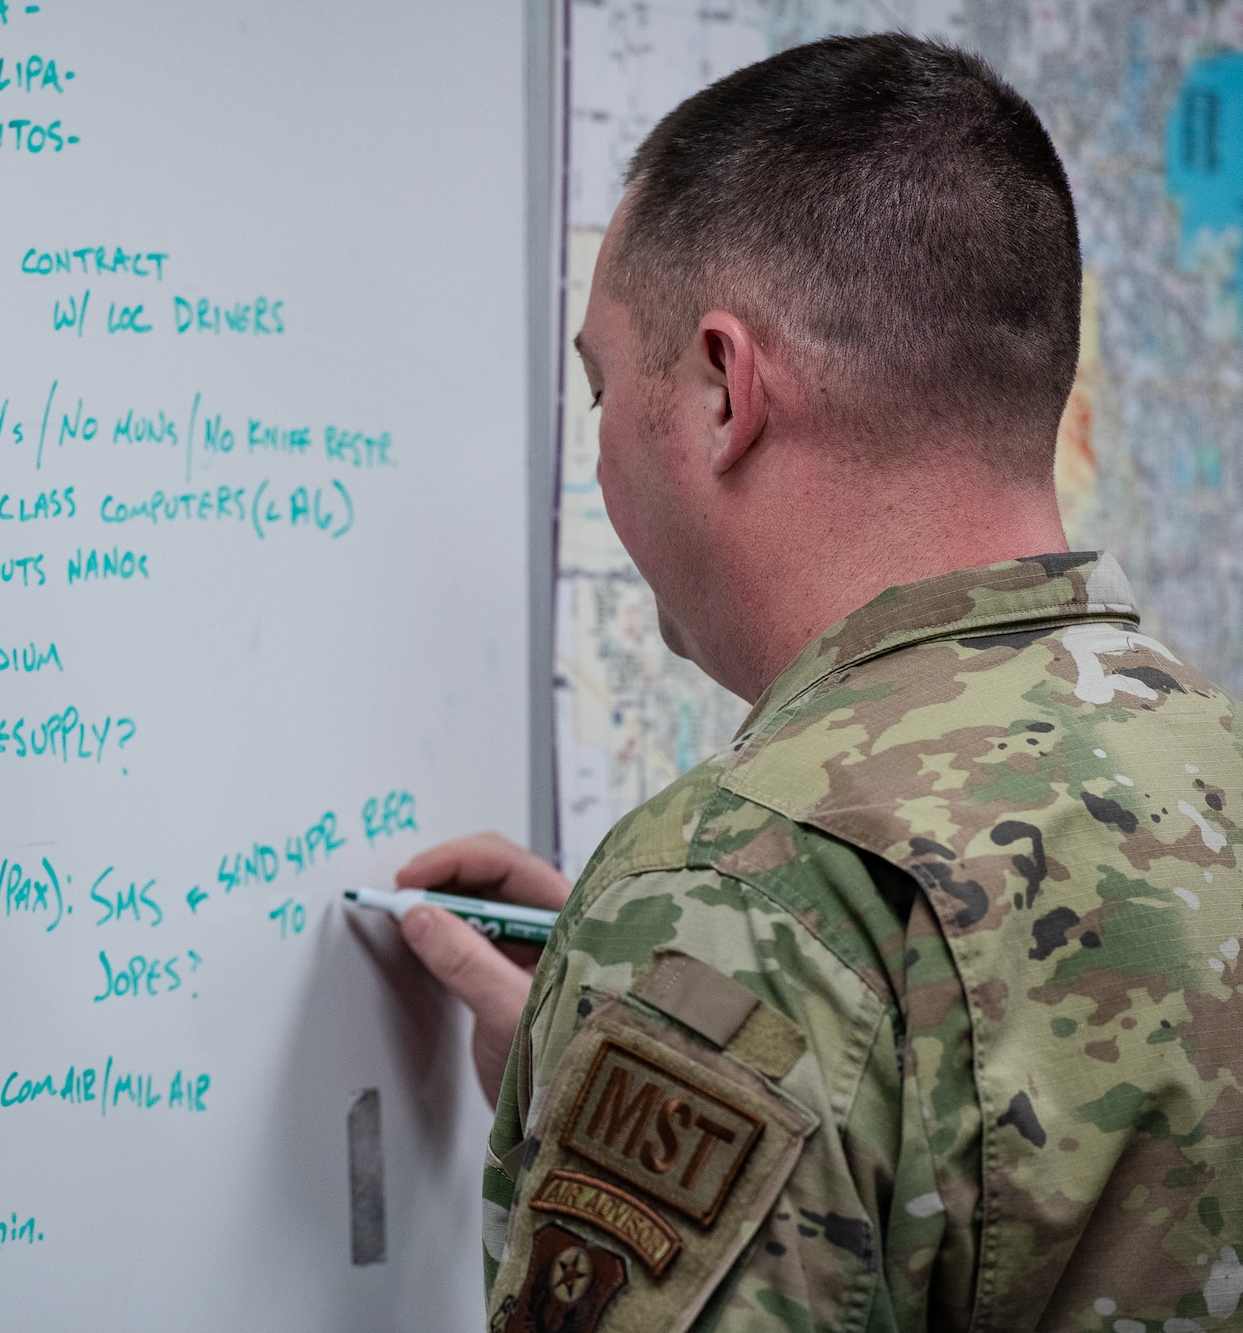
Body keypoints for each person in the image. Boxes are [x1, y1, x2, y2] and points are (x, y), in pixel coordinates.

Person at [396, 33, 1243, 1333]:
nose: (601, 447)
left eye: (605, 384)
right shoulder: (1210, 760)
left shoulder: (735, 900)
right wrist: (612, 1040)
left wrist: (685, 974)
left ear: (727, 390)